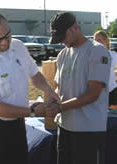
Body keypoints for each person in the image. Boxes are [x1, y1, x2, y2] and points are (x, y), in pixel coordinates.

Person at [0, 12, 59, 164]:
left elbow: (34, 74)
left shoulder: (17, 46)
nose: (4, 42)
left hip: (17, 124)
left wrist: (49, 91)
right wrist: (32, 111)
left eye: (7, 35)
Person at [49, 12, 111, 164]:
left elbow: (93, 93)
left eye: (64, 36)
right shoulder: (62, 54)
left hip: (88, 130)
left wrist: (60, 107)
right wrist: (51, 101)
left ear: (75, 28)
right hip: (64, 127)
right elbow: (60, 88)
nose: (62, 41)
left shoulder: (97, 51)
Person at [94, 30, 117, 108]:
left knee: (113, 117)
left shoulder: (114, 55)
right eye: (95, 40)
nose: (96, 43)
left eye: (99, 40)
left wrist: (115, 73)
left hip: (112, 93)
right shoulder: (91, 56)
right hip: (97, 94)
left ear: (106, 41)